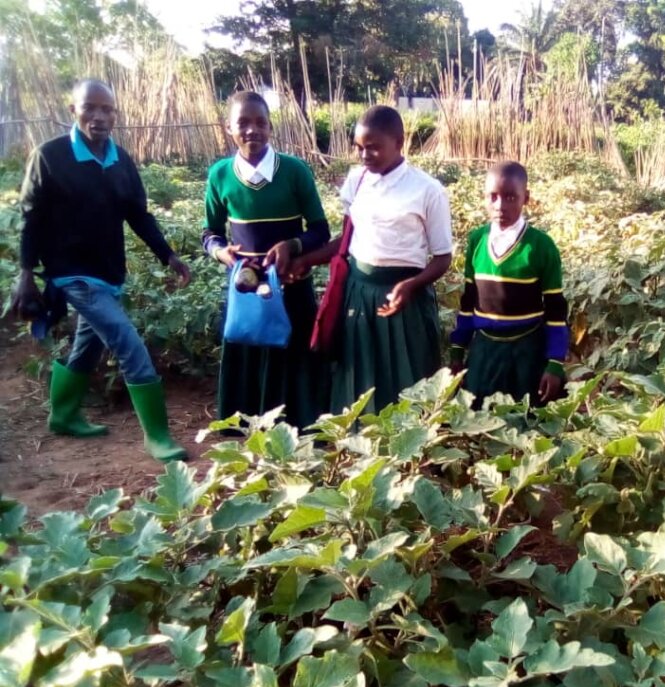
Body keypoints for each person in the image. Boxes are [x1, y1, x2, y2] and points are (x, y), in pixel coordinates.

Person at [11, 79, 190, 462]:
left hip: (108, 271)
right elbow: (32, 218)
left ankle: (63, 415)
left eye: (107, 109)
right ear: (72, 110)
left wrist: (168, 255)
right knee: (128, 341)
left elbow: (137, 215)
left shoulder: (120, 160)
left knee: (88, 345)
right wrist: (26, 273)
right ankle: (157, 435)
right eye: (90, 107)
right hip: (70, 273)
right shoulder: (50, 156)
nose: (99, 116)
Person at [295, 105, 453, 415]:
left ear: (399, 141)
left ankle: (410, 450)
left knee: (407, 375)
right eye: (359, 148)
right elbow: (347, 239)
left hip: (404, 298)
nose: (365, 155)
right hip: (359, 292)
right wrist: (307, 260)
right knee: (360, 372)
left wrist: (412, 285)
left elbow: (442, 258)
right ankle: (359, 446)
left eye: (373, 147)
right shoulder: (357, 180)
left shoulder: (427, 190)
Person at [201, 91, 331, 429]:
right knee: (249, 347)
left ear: (270, 128)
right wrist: (221, 252)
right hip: (246, 288)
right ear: (228, 127)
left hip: (291, 285)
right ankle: (248, 426)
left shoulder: (294, 171)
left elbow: (319, 230)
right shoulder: (219, 175)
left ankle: (300, 427)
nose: (252, 131)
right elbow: (210, 233)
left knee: (294, 352)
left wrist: (291, 245)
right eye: (243, 123)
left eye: (260, 122)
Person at [449, 161, 568, 405]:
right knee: (479, 421)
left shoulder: (541, 246)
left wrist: (555, 363)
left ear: (526, 198)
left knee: (526, 422)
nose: (500, 205)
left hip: (527, 352)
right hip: (484, 351)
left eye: (511, 197)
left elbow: (556, 310)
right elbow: (468, 300)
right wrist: (457, 350)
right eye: (492, 197)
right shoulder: (477, 241)